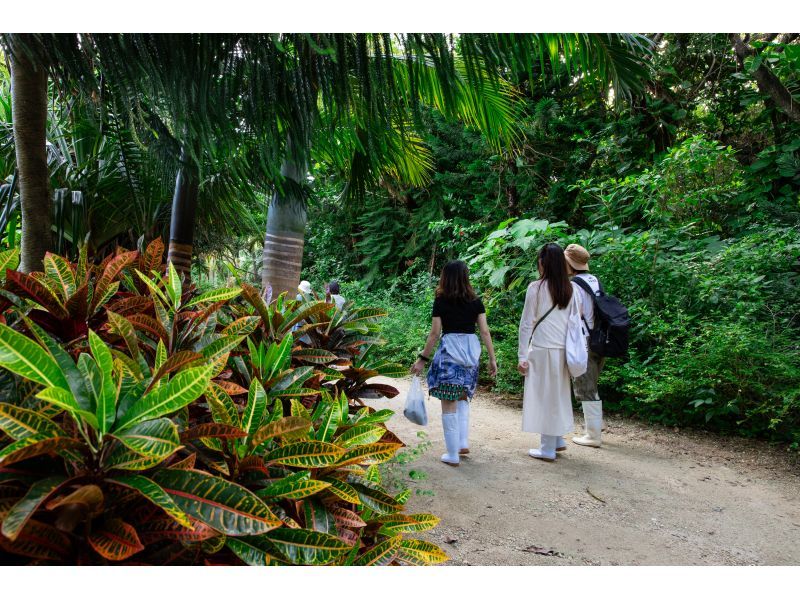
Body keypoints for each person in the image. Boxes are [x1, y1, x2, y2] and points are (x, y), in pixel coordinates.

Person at [411, 260, 498, 467]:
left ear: (445, 278)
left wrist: (422, 359)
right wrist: (492, 359)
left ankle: (452, 454)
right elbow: (485, 332)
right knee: (462, 397)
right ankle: (462, 442)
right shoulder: (476, 301)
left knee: (448, 402)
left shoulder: (441, 301)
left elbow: (434, 334)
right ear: (465, 277)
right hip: (470, 354)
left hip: (450, 354)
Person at [517, 243, 579, 462]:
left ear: (543, 263)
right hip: (563, 352)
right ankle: (557, 440)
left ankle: (547, 449)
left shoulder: (536, 288)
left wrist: (522, 356)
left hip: (542, 350)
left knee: (544, 398)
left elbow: (526, 324)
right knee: (558, 396)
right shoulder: (571, 289)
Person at [564, 243, 605, 448]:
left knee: (585, 386)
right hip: (600, 338)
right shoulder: (593, 280)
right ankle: (595, 428)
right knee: (592, 384)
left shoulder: (574, 285)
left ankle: (593, 435)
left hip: (584, 340)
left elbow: (576, 313)